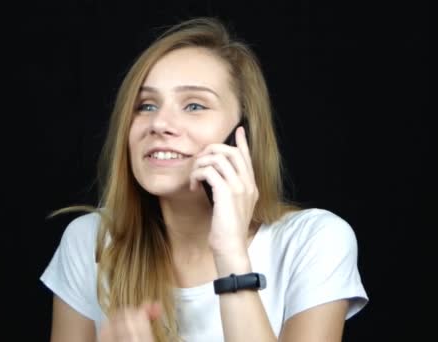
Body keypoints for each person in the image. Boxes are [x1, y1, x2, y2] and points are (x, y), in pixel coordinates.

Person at [40, 17, 368, 342]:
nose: (159, 124)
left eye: (194, 105)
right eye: (146, 105)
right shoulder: (90, 242)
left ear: (245, 135)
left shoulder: (314, 241)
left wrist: (231, 254)